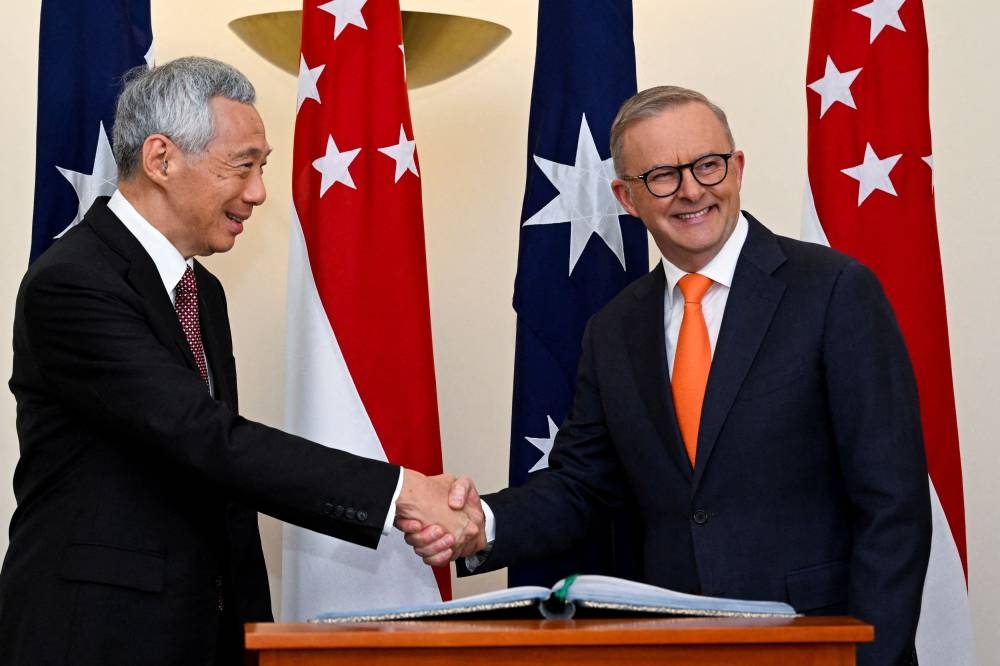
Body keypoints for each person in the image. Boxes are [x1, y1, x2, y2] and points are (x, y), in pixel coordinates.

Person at [402, 86, 931, 666]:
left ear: (738, 167)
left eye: (708, 164)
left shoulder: (833, 291)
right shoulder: (614, 329)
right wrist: (483, 524)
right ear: (626, 198)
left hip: (815, 644)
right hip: (672, 645)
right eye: (661, 175)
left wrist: (868, 657)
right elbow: (581, 486)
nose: (692, 190)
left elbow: (892, 504)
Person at [0, 56, 479, 666]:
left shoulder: (202, 290)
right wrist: (399, 492)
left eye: (262, 168)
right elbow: (202, 437)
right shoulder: (72, 282)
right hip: (97, 632)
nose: (257, 193)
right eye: (242, 166)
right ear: (161, 159)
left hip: (204, 628)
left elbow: (213, 476)